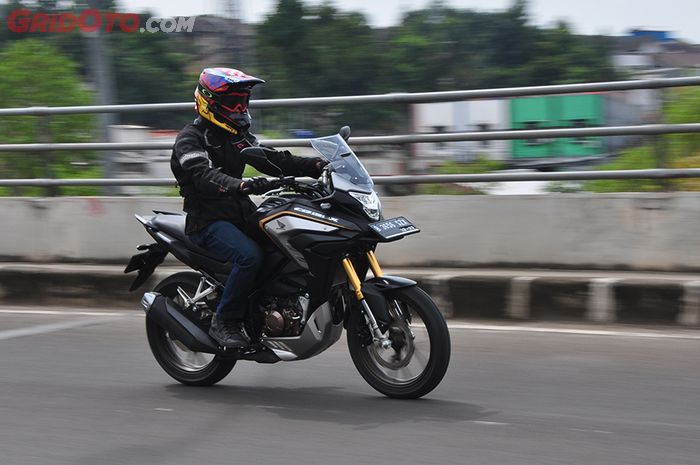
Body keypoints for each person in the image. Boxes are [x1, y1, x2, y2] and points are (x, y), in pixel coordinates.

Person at [171, 67, 326, 349]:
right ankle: (224, 321)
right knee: (249, 257)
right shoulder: (190, 139)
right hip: (206, 221)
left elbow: (272, 159)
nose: (240, 108)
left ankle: (273, 308)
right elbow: (204, 176)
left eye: (243, 101)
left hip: (239, 214)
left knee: (286, 243)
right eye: (233, 102)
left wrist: (316, 166)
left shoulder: (236, 137)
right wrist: (241, 185)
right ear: (210, 102)